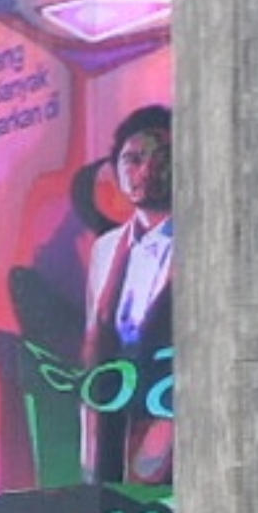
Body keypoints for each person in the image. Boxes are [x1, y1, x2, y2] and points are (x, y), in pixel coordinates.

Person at [79, 103, 174, 486]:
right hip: (114, 398)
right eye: (132, 159)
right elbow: (94, 337)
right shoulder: (106, 249)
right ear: (115, 170)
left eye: (161, 158)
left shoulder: (201, 235)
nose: (145, 171)